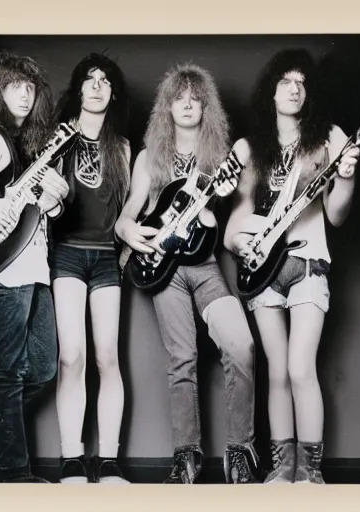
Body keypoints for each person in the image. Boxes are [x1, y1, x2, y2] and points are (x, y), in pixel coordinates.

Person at [115, 63, 260, 484]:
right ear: (168, 105)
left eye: (196, 98)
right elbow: (128, 213)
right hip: (165, 270)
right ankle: (186, 459)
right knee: (182, 359)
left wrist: (219, 206)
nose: (188, 104)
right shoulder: (149, 157)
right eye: (180, 97)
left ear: (206, 107)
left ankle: (239, 451)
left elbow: (225, 219)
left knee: (241, 344)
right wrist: (127, 230)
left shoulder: (221, 159)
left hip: (205, 264)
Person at [224, 49, 360, 484]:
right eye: (286, 81)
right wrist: (238, 242)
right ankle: (282, 470)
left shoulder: (329, 139)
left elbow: (336, 215)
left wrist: (348, 177)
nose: (294, 88)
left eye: (301, 82)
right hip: (263, 268)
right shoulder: (253, 148)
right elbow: (238, 217)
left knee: (302, 367)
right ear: (271, 91)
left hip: (307, 262)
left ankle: (311, 472)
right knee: (277, 370)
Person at [0, 51, 69, 483]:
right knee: (6, 371)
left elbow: (48, 213)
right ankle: (11, 473)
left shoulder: (33, 146)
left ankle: (3, 427)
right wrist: (21, 200)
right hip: (2, 263)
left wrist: (56, 196)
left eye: (30, 88)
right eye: (14, 86)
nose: (24, 95)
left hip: (35, 262)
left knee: (42, 367)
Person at [50, 53, 131, 484]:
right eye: (89, 78)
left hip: (104, 258)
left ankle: (109, 460)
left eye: (104, 80)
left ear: (112, 92)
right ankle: (71, 459)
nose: (97, 85)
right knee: (72, 357)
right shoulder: (59, 139)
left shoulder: (121, 147)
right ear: (79, 88)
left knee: (106, 358)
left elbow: (129, 213)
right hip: (65, 253)